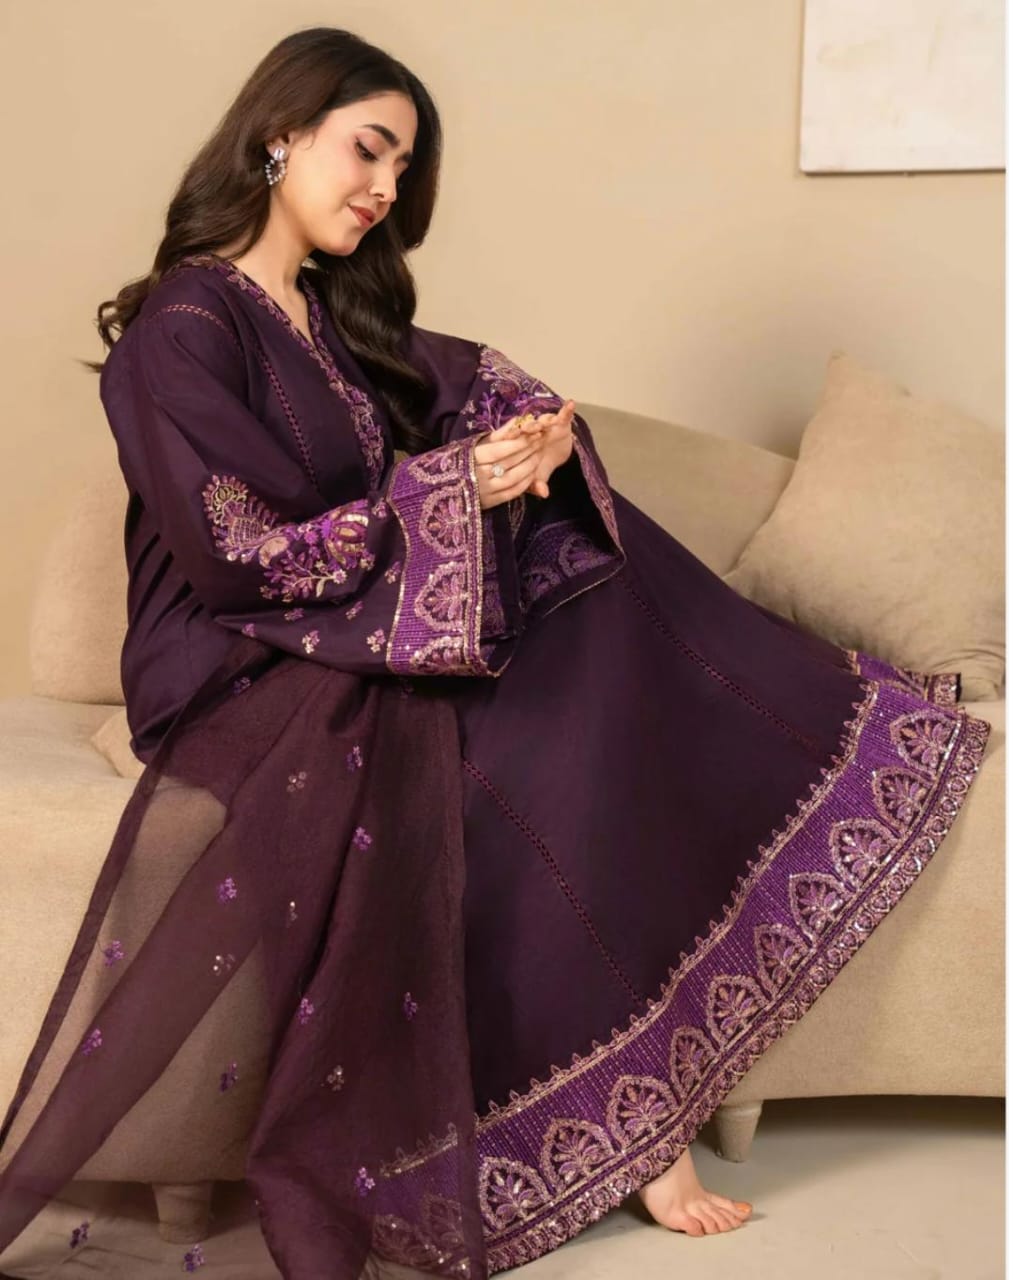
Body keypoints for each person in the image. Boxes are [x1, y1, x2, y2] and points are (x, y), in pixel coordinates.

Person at [0, 25, 992, 1280]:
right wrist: (446, 488)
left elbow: (478, 389)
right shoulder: (180, 330)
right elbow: (237, 549)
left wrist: (528, 441)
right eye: (369, 149)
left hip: (342, 621)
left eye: (404, 170)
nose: (385, 189)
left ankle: (648, 1092)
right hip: (236, 652)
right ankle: (656, 1095)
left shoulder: (323, 318)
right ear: (277, 132)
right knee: (526, 705)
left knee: (582, 608)